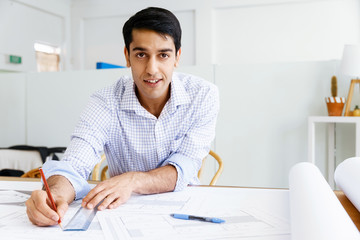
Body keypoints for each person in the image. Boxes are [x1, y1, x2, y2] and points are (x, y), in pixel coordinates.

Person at [26, 7, 219, 226]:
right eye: (141, 54)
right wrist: (57, 193)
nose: (152, 69)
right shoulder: (105, 101)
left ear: (177, 57)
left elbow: (185, 165)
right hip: (121, 212)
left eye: (163, 55)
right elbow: (74, 164)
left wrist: (134, 180)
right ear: (127, 56)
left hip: (184, 210)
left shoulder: (203, 95)